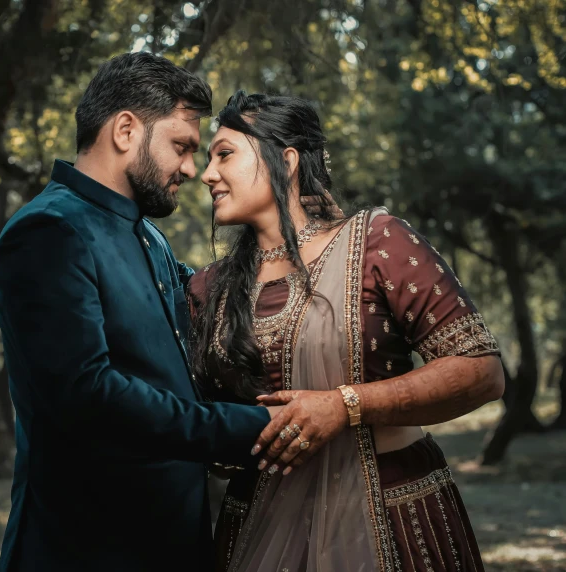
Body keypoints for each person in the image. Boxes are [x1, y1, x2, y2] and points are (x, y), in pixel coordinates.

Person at [188, 90, 505, 572]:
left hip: (394, 517)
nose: (208, 174)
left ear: (286, 160)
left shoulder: (377, 242)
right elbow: (203, 422)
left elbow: (482, 372)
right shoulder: (209, 289)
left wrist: (345, 405)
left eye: (225, 154)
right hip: (258, 530)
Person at [0, 55, 283, 572]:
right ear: (125, 129)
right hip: (86, 549)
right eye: (181, 147)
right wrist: (243, 429)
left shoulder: (148, 235)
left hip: (172, 540)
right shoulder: (47, 232)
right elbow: (88, 394)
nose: (192, 169)